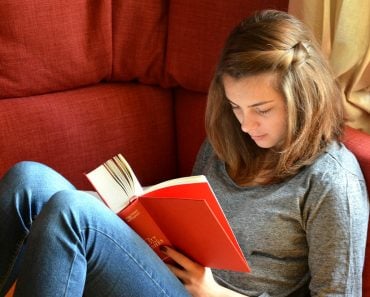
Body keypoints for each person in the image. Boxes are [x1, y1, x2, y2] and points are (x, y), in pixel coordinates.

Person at [0, 9, 368, 297]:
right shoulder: (230, 139)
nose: (246, 124)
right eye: (236, 107)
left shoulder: (333, 181)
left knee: (72, 213)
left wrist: (214, 292)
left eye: (262, 109)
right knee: (28, 180)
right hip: (170, 280)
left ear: (303, 97)